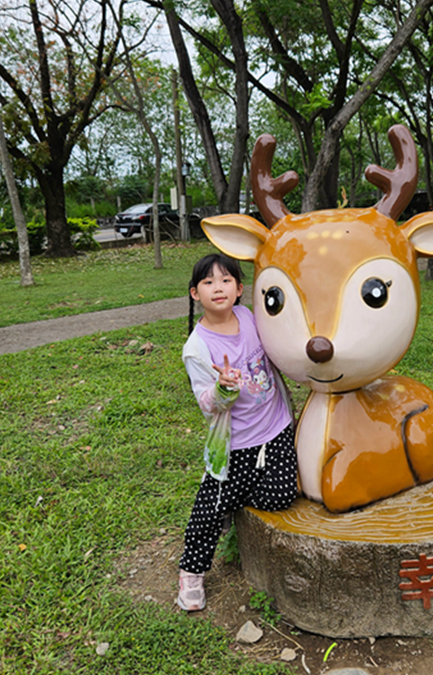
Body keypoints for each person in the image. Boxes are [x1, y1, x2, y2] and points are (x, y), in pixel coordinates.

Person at [178, 253, 297, 611]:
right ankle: (191, 573)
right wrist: (224, 387)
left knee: (282, 496)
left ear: (240, 288)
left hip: (276, 428)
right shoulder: (197, 348)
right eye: (208, 282)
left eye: (226, 280)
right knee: (209, 511)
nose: (218, 288)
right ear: (195, 293)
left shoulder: (248, 316)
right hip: (237, 444)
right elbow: (207, 404)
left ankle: (235, 501)